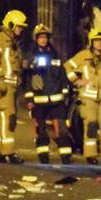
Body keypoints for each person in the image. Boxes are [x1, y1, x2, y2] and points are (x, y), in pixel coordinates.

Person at [65, 28, 101, 165]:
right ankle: (91, 155)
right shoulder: (83, 56)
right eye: (96, 41)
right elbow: (68, 66)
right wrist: (76, 80)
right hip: (88, 98)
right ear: (91, 42)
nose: (99, 43)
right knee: (91, 126)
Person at [23, 24, 74, 164]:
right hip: (39, 101)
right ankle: (43, 157)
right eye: (40, 37)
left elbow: (63, 76)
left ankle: (66, 158)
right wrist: (29, 99)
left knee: (62, 131)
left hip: (56, 101)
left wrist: (65, 94)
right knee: (41, 130)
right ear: (36, 39)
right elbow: (27, 80)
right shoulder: (30, 56)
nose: (43, 40)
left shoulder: (55, 55)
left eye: (45, 37)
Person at [0, 9, 27, 164]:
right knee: (8, 116)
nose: (21, 29)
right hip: (3, 84)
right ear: (11, 24)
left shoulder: (14, 42)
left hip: (12, 84)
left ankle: (0, 151)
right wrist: (0, 79)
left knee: (5, 118)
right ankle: (8, 152)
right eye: (19, 26)